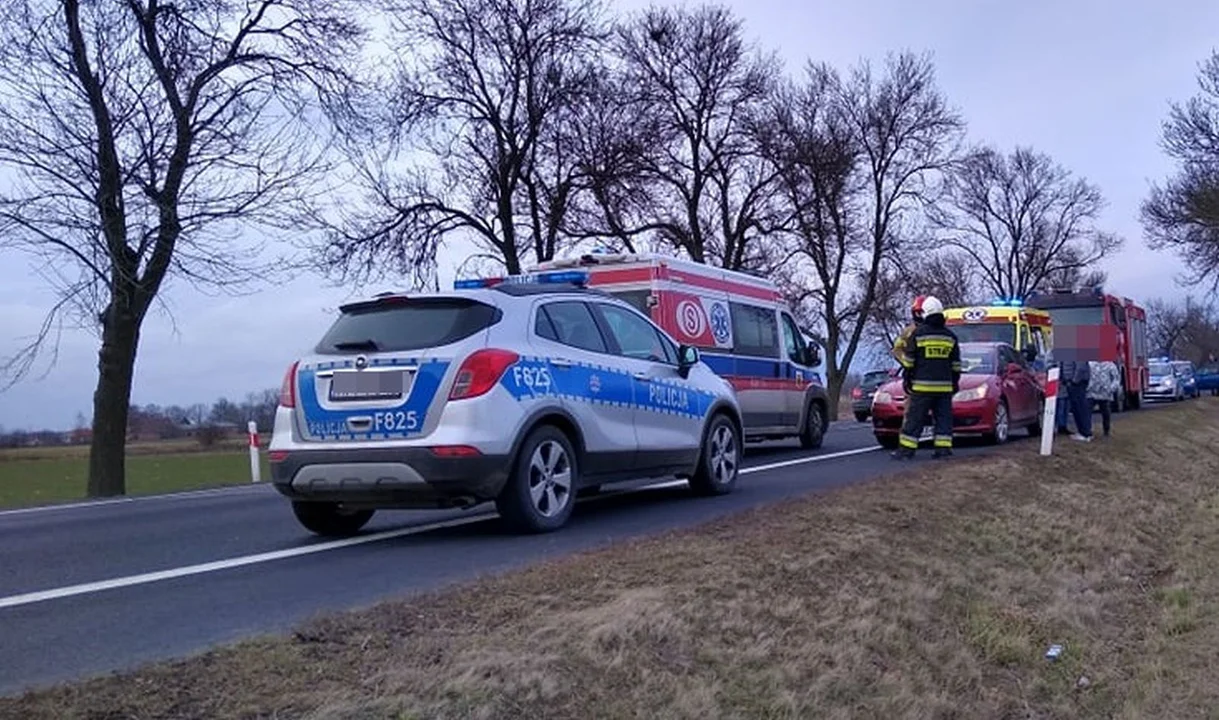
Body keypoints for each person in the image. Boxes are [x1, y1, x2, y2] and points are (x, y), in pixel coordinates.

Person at [893, 296, 961, 460]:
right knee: (944, 420)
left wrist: (908, 379)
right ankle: (943, 450)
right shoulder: (950, 336)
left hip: (922, 388)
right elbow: (956, 365)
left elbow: (909, 361)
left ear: (925, 314)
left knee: (915, 420)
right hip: (944, 388)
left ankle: (906, 451)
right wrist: (954, 383)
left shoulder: (918, 334)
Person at [1086, 360, 1120, 439]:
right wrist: (1086, 387)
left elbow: (1116, 379)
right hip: (1091, 393)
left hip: (1105, 394)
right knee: (1087, 413)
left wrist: (1111, 389)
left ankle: (1106, 431)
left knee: (1106, 413)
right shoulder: (1090, 364)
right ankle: (1088, 431)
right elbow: (1085, 375)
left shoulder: (1110, 365)